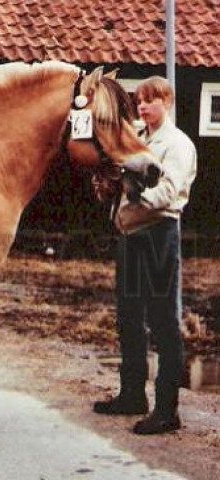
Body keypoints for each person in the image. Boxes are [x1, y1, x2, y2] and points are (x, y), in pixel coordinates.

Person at [92, 76, 197, 435]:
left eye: (150, 100)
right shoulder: (138, 139)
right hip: (131, 235)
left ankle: (167, 410)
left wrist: (134, 194)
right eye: (139, 101)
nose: (142, 106)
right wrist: (110, 188)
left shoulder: (177, 144)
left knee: (164, 322)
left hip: (158, 235)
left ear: (166, 101)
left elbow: (168, 190)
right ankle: (133, 394)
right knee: (129, 317)